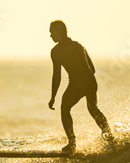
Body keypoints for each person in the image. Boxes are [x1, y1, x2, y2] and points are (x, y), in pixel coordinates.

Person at [47, 20, 113, 153]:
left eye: (51, 32)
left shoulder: (56, 51)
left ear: (59, 33)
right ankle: (109, 135)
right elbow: (92, 69)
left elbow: (57, 76)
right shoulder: (79, 46)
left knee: (65, 108)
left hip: (77, 83)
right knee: (93, 108)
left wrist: (53, 97)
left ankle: (72, 144)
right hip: (91, 81)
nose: (50, 36)